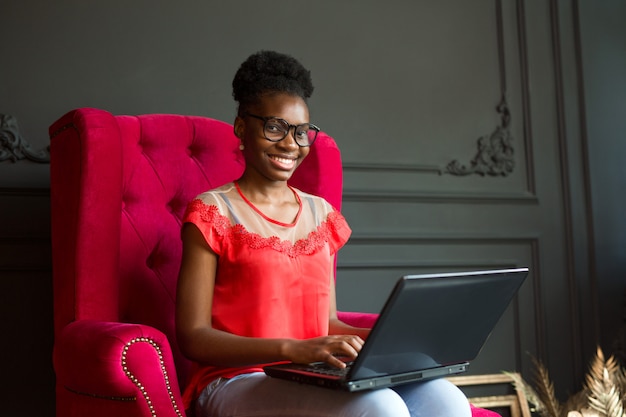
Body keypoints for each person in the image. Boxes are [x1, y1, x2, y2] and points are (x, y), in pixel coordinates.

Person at [176, 50, 472, 417]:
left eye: (302, 133)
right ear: (241, 127)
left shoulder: (321, 214)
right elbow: (193, 336)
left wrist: (405, 342)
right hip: (236, 379)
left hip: (312, 372)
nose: (290, 144)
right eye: (274, 127)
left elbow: (326, 322)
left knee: (447, 400)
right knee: (381, 407)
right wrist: (292, 349)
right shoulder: (212, 212)